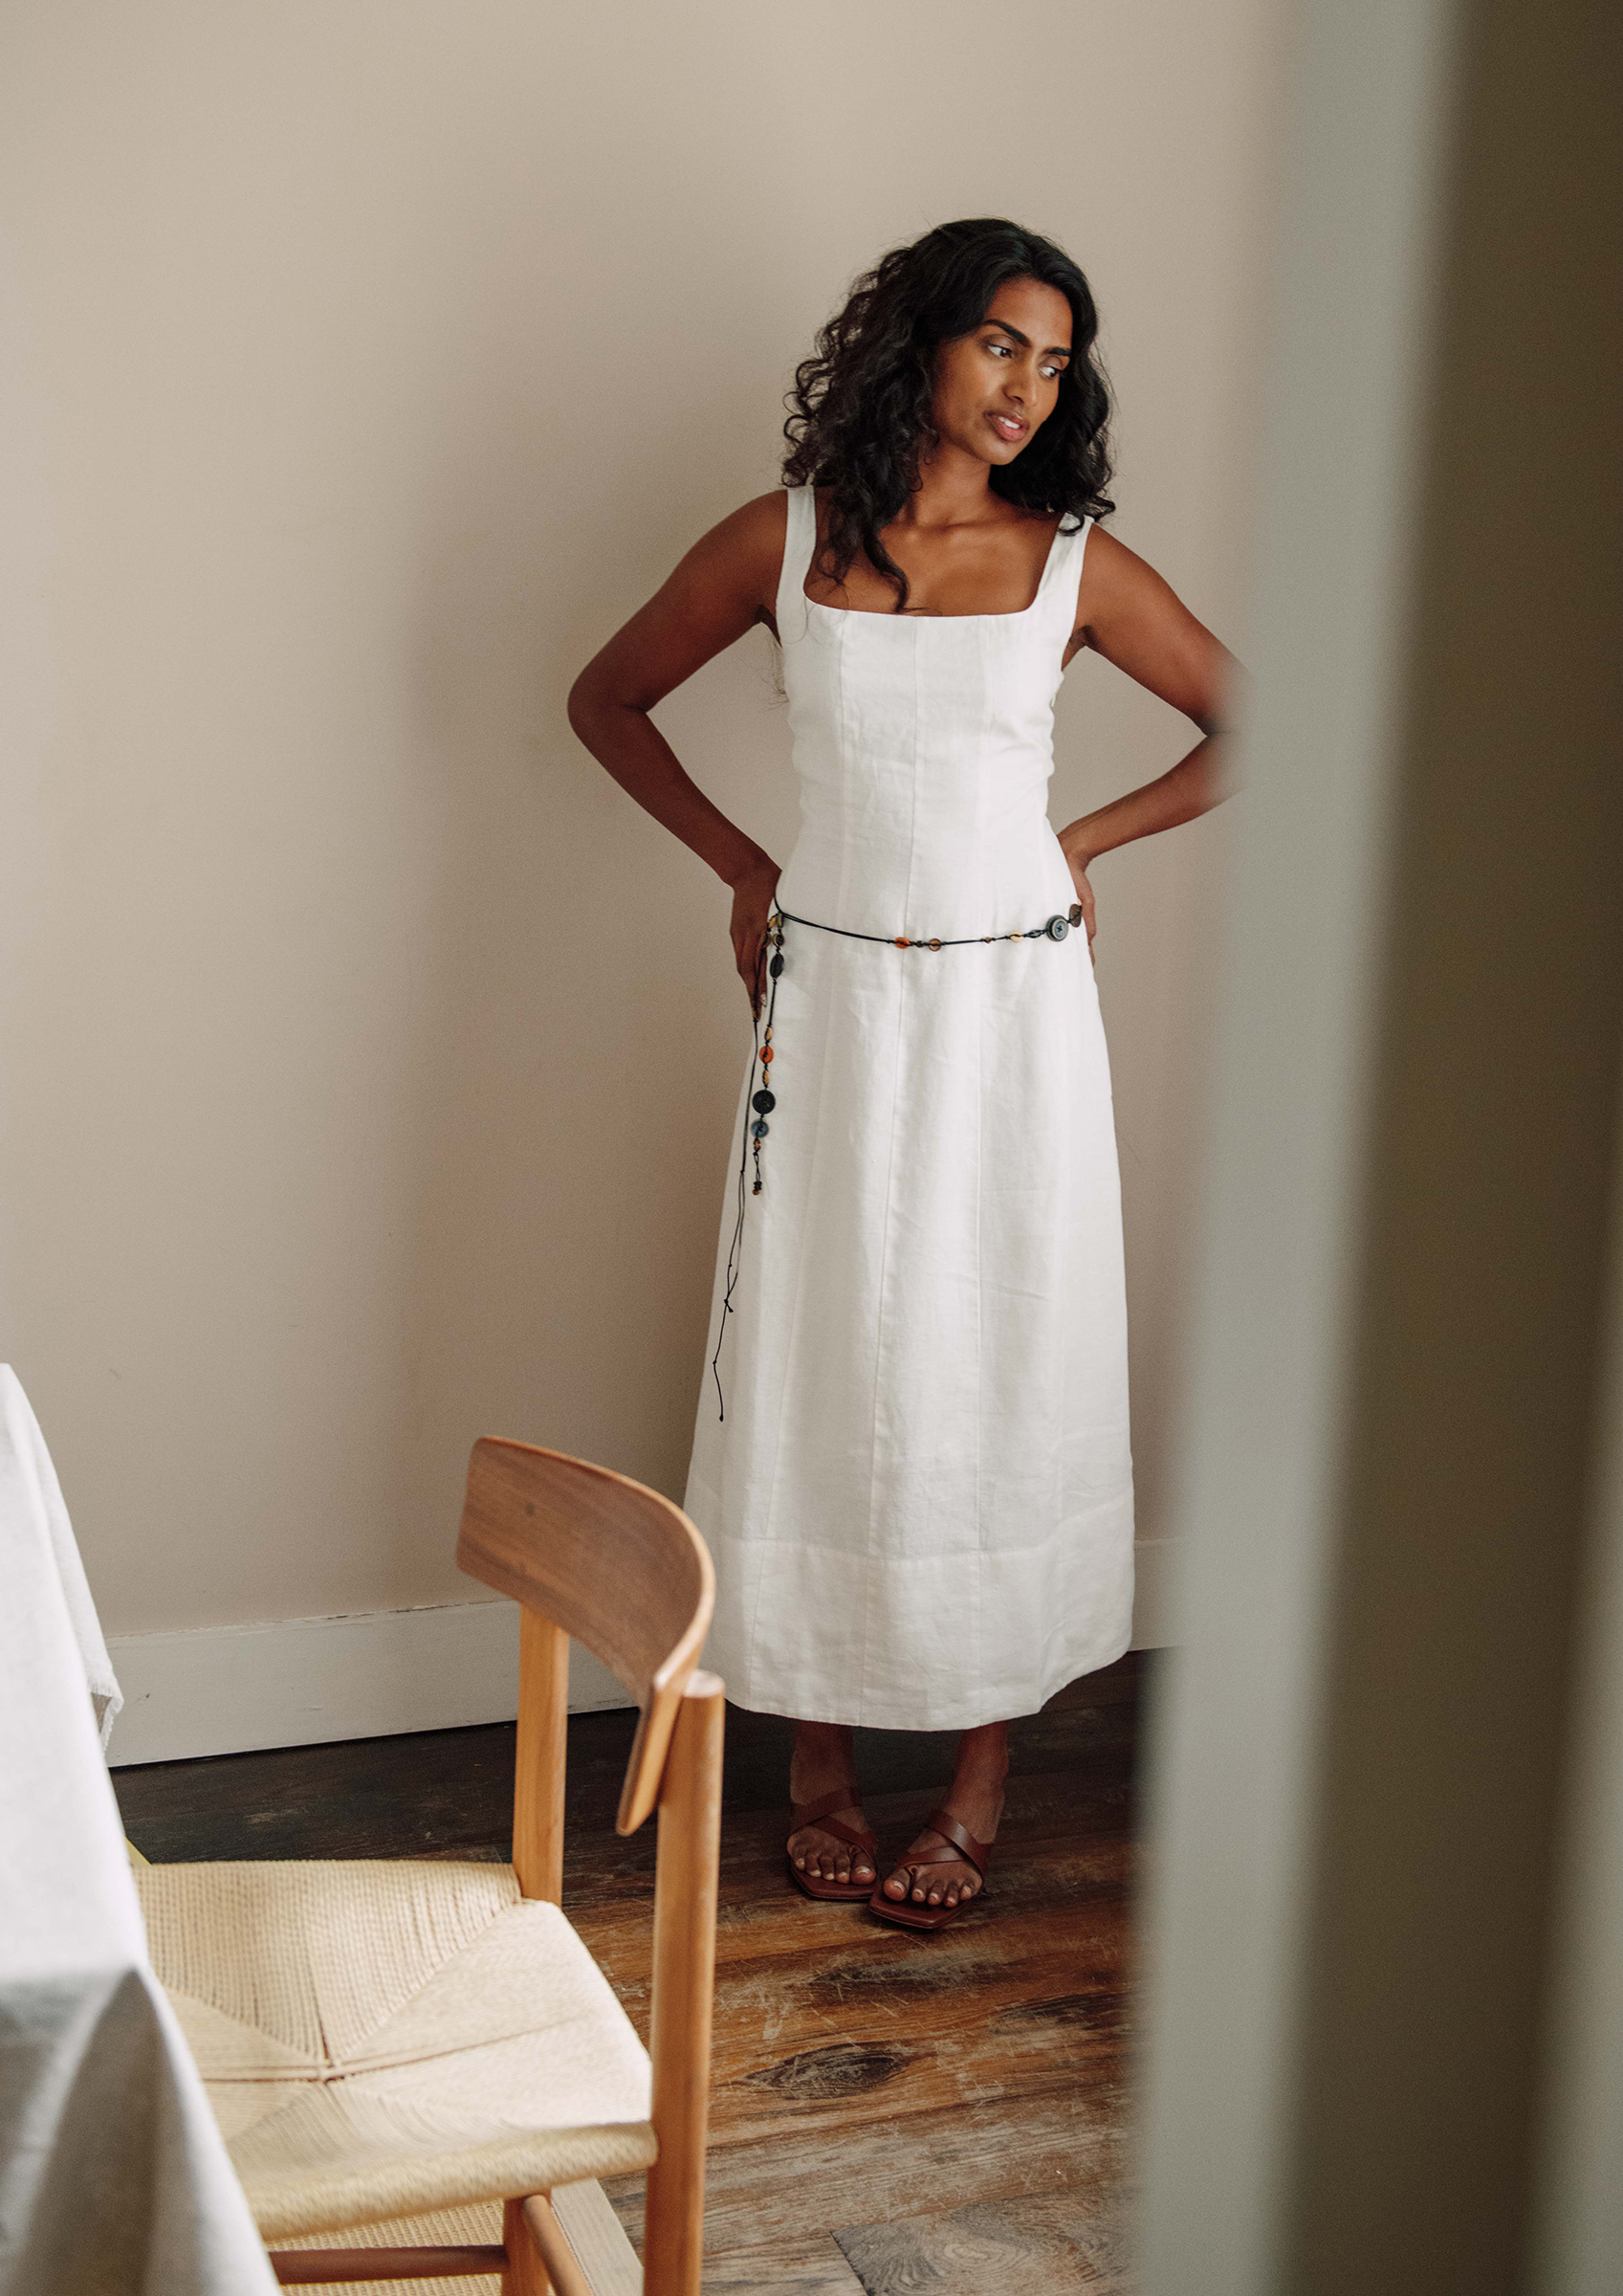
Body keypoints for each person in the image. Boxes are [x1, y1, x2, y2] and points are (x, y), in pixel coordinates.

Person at [567, 217, 1234, 1930]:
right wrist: (742, 866)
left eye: (1059, 360)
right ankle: (819, 1765)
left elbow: (1261, 719)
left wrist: (1088, 833)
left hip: (1016, 1010)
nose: (1031, 386)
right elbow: (608, 698)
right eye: (1005, 344)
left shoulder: (1076, 557)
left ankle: (983, 1786)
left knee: (1003, 1360)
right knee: (822, 1358)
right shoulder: (785, 538)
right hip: (837, 1005)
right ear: (925, 341)